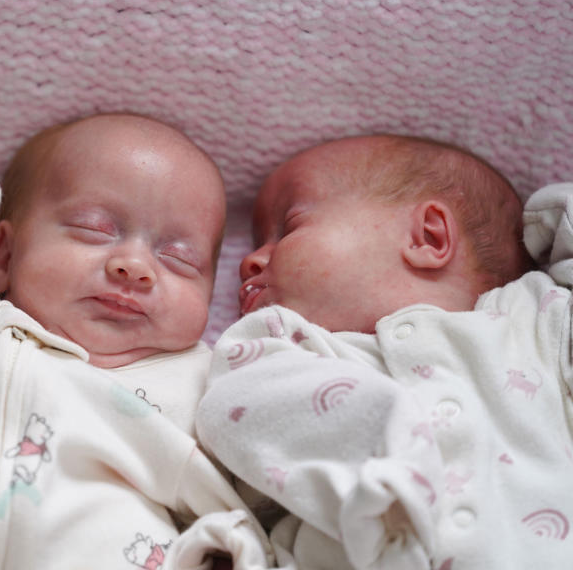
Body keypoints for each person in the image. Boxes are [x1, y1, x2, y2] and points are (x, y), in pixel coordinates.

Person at [0, 113, 274, 569]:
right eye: (95, 229)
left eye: (178, 259)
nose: (135, 265)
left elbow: (261, 500)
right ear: (4, 256)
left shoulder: (207, 386)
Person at [196, 134, 573, 569]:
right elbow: (233, 414)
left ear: (428, 237)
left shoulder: (532, 321)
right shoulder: (285, 352)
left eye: (290, 227)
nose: (250, 261)